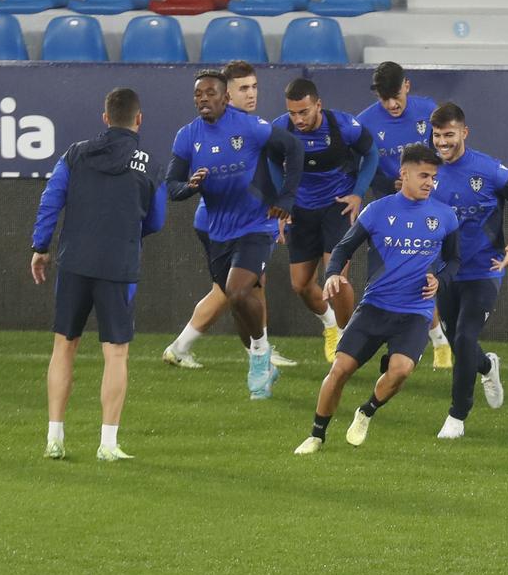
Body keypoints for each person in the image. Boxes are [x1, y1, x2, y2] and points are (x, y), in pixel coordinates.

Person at [294, 144, 458, 454]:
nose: (429, 183)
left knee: (400, 370)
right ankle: (316, 435)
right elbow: (343, 248)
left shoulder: (445, 216)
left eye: (433, 177)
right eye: (423, 175)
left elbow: (455, 261)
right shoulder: (378, 211)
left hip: (414, 313)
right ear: (404, 174)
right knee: (339, 369)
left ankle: (366, 411)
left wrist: (441, 279)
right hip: (375, 307)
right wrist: (331, 273)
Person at [31, 88, 165, 461]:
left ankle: (54, 437)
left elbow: (51, 199)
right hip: (118, 265)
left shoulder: (75, 154)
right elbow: (156, 220)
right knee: (116, 354)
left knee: (64, 345)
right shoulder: (151, 165)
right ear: (139, 120)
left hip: (73, 262)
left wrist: (40, 247)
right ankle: (107, 443)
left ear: (105, 118)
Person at [165, 70, 304, 400]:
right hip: (218, 231)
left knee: (238, 292)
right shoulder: (187, 136)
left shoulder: (248, 126)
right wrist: (189, 187)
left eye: (210, 93)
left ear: (225, 98)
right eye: (198, 95)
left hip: (256, 225)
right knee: (240, 301)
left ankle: (259, 355)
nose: (203, 99)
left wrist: (286, 198)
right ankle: (263, 360)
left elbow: (294, 147)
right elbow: (172, 187)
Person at [427, 101, 508, 439]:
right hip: (444, 274)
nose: (443, 142)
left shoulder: (490, 170)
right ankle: (488, 366)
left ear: (464, 132)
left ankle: (457, 417)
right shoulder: (427, 173)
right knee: (460, 344)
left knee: (463, 336)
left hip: (484, 270)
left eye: (449, 135)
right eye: (437, 136)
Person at [274, 77, 378, 362]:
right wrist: (283, 202)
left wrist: (358, 194)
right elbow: (271, 160)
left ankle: (346, 338)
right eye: (293, 113)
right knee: (301, 285)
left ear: (318, 105)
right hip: (301, 211)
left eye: (304, 112)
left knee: (336, 279)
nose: (298, 119)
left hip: (337, 207)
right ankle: (330, 325)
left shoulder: (344, 126)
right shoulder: (281, 129)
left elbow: (371, 154)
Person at [357, 60, 452, 368]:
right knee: (385, 279)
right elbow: (364, 167)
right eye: (384, 98)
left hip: (426, 210)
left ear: (406, 86)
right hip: (386, 212)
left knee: (422, 277)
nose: (391, 103)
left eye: (395, 95)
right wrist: (388, 184)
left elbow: (446, 154)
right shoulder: (366, 122)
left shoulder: (429, 112)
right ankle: (407, 344)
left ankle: (438, 342)